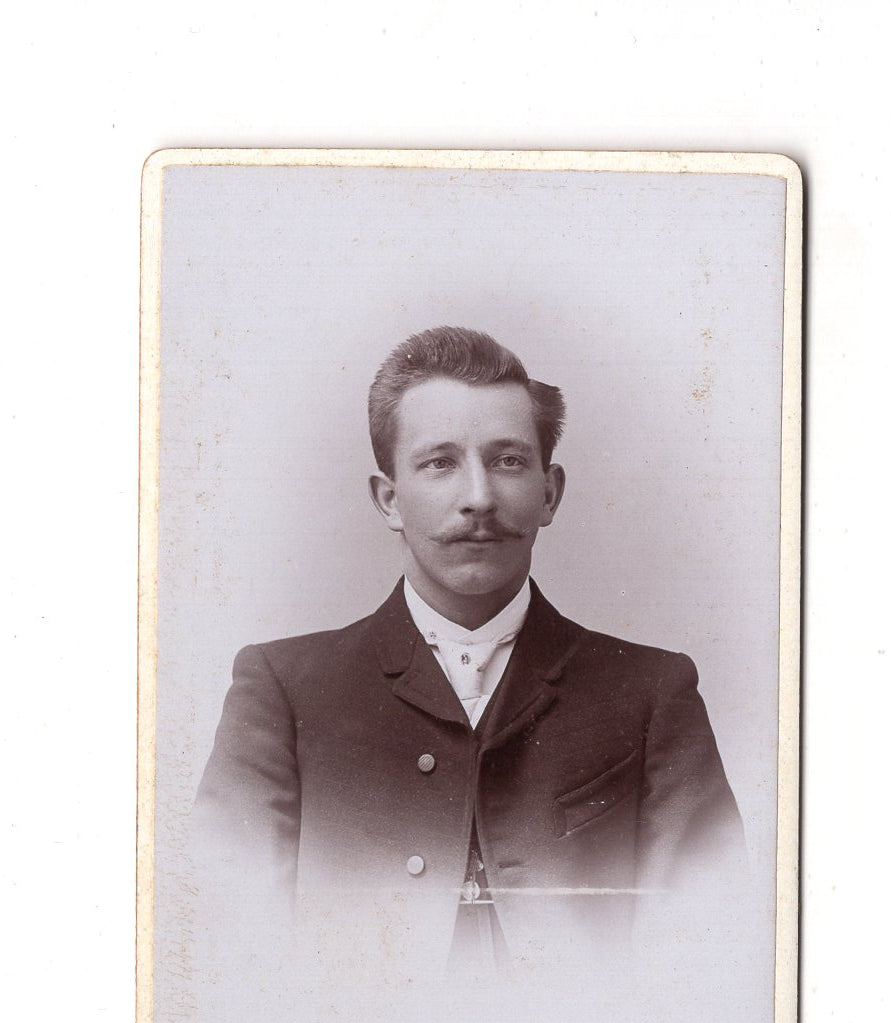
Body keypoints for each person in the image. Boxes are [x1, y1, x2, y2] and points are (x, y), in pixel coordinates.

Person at [195, 326, 743, 982]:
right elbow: (226, 954)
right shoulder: (283, 691)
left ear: (549, 492)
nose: (479, 498)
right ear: (389, 499)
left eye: (508, 460)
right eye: (439, 463)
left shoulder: (651, 692)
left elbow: (705, 960)